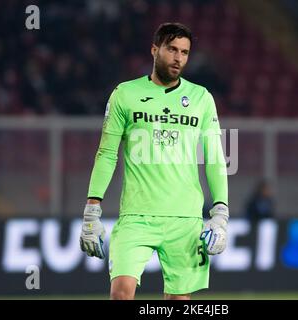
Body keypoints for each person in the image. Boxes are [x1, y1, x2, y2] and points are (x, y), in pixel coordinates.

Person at [79, 23, 229, 300]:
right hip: (136, 217)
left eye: (184, 52)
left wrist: (220, 214)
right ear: (154, 49)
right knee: (120, 295)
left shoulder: (201, 98)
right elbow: (106, 153)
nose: (178, 58)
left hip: (185, 219)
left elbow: (215, 158)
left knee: (178, 301)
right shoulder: (125, 94)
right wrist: (92, 210)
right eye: (172, 49)